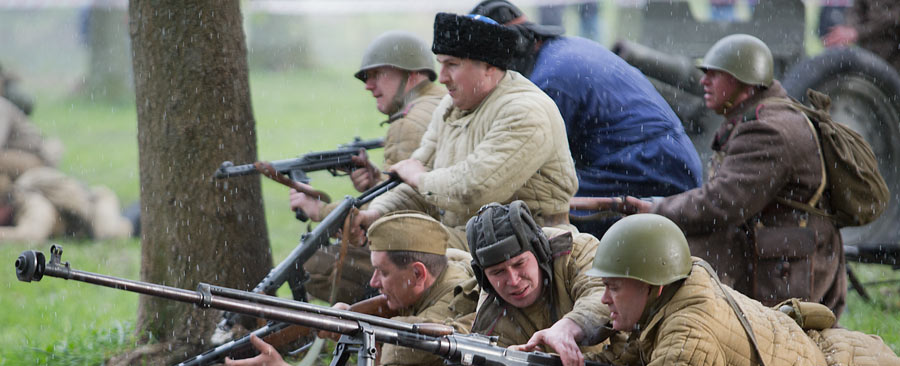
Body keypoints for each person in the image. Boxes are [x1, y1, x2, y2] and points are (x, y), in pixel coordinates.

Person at [491, 213, 900, 366]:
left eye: (614, 287)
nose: (604, 299)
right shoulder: (671, 299)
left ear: (652, 286)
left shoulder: (690, 326)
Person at [576, 34, 846, 316]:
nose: (704, 81)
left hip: (788, 267)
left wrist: (657, 210)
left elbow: (724, 201)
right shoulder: (761, 116)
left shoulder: (767, 130)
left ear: (745, 81)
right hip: (784, 256)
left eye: (715, 75)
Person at [319, 13, 578, 251]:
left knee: (401, 249)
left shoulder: (525, 111)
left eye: (452, 65)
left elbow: (473, 190)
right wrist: (374, 216)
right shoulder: (451, 105)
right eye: (440, 64)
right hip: (475, 239)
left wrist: (420, 179)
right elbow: (415, 178)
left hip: (529, 246)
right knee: (383, 239)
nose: (441, 77)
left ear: (488, 66)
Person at [221, 211, 490, 366]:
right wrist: (357, 322)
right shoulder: (448, 268)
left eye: (382, 272)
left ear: (418, 274)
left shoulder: (446, 315)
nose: (374, 282)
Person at [469, 0, 702, 241]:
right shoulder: (561, 51)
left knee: (533, 204)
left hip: (650, 170)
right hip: (662, 163)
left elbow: (520, 166)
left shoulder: (550, 82)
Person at [290, 31, 446, 304]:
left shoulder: (408, 123)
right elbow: (420, 190)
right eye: (366, 77)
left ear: (411, 75)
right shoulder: (440, 104)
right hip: (446, 235)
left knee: (312, 266)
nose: (368, 85)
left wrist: (320, 210)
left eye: (377, 75)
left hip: (431, 249)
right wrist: (377, 181)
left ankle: (379, 319)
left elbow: (400, 217)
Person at [465, 200, 610, 366]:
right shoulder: (488, 326)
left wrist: (568, 327)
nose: (512, 280)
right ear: (483, 277)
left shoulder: (577, 251)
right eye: (498, 272)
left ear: (539, 251)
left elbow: (603, 295)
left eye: (519, 263)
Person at [0, 95, 131, 242]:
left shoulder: (28, 197)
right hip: (78, 213)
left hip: (97, 203)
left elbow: (30, 235)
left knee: (110, 234)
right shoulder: (21, 197)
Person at [822, 0, 900, 73]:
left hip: (894, 52)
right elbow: (855, 9)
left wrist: (857, 32)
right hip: (869, 50)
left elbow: (894, 17)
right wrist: (850, 28)